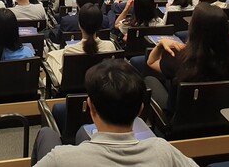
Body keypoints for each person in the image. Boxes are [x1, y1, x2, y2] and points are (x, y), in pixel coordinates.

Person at [31, 60, 198, 167]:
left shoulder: (60, 159)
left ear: (91, 108)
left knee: (46, 133)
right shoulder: (164, 151)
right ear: (140, 110)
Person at [145, 3, 229, 114]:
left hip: (181, 118)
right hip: (220, 116)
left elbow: (151, 62)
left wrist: (160, 44)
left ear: (193, 28)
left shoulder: (177, 58)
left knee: (149, 79)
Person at [46, 4, 116, 83]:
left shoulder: (69, 50)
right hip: (102, 87)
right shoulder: (110, 46)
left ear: (79, 25)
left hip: (73, 88)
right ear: (100, 25)